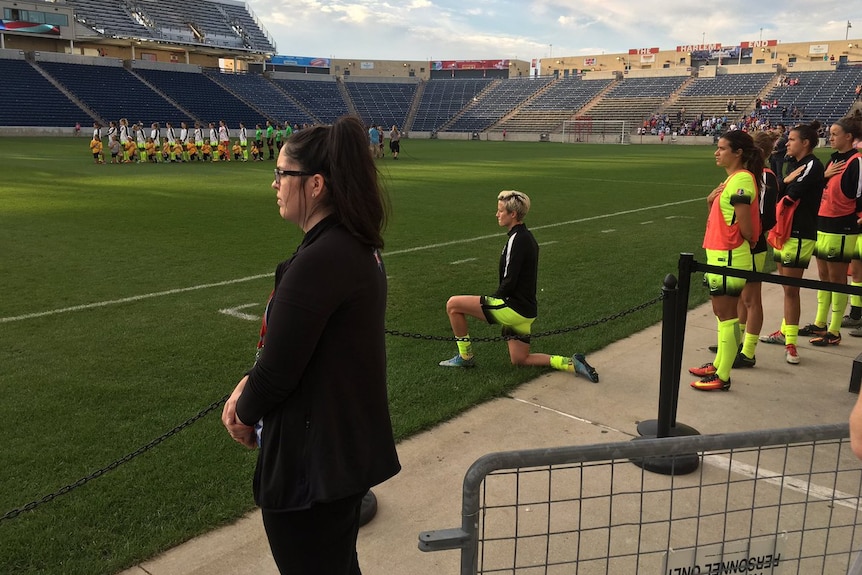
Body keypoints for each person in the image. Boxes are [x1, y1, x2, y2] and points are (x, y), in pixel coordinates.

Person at [221, 114, 400, 575]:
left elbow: (279, 370)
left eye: (282, 174)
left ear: (315, 184)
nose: (274, 184)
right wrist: (251, 382)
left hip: (312, 469)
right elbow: (307, 349)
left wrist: (243, 412)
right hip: (336, 458)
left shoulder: (323, 259)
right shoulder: (351, 245)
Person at [439, 190, 599, 383]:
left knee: (453, 305)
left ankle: (466, 357)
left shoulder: (517, 240)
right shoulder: (525, 237)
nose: (497, 214)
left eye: (500, 211)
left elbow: (510, 280)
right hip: (526, 311)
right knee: (520, 359)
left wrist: (493, 301)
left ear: (512, 214)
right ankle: (571, 362)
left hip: (513, 308)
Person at [689, 130, 761, 391]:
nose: (716, 153)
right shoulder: (732, 179)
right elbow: (723, 218)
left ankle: (723, 375)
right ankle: (719, 364)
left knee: (727, 315)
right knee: (722, 314)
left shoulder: (742, 179)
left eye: (722, 148)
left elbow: (747, 227)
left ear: (738, 152)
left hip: (730, 256)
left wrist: (744, 239)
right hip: (720, 253)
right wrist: (711, 202)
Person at [760, 122, 826, 364]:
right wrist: (785, 181)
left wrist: (785, 183)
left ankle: (792, 343)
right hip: (785, 231)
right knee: (786, 288)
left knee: (791, 290)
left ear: (805, 143)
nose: (787, 142)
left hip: (798, 232)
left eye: (792, 139)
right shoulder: (796, 165)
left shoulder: (812, 166)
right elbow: (780, 192)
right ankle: (785, 333)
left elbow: (788, 197)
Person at [798, 116, 862, 346]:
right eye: (830, 133)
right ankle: (819, 323)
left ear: (849, 137)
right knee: (823, 276)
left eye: (835, 133)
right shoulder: (833, 160)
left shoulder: (856, 161)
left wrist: (856, 219)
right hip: (823, 223)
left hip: (841, 226)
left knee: (837, 279)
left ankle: (834, 330)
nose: (830, 137)